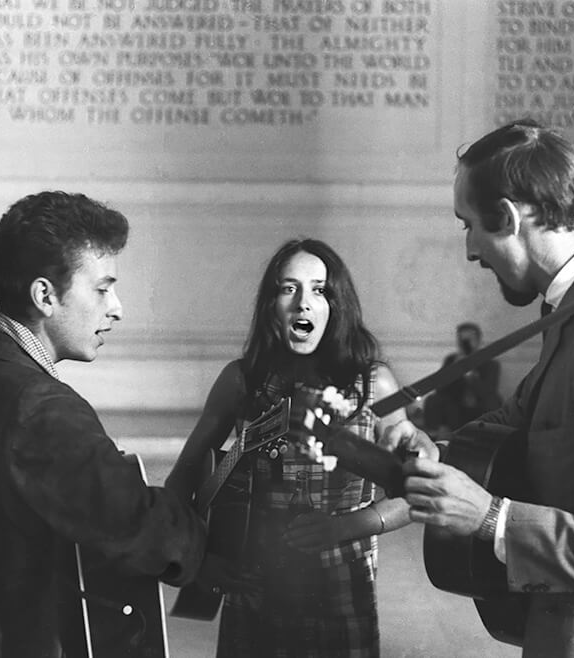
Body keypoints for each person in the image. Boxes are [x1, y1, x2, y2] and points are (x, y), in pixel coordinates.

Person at [382, 120, 574, 656]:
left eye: (468, 226)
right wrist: (435, 451)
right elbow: (523, 419)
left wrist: (489, 517)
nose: (469, 250)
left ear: (506, 217)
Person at [0, 191, 207, 657]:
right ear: (45, 295)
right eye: (102, 289)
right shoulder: (38, 403)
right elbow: (134, 523)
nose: (116, 307)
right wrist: (207, 544)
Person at [166, 238, 411, 657]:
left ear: (337, 305)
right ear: (271, 305)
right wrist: (199, 559)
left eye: (319, 289)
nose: (303, 302)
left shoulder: (375, 384)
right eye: (288, 288)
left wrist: (346, 527)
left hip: (342, 594)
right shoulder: (241, 381)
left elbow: (414, 492)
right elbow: (179, 484)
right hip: (256, 597)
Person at [423, 322, 502, 434]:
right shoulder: (451, 360)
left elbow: (489, 391)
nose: (465, 343)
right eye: (462, 340)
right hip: (456, 406)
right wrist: (454, 369)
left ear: (479, 341)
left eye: (470, 339)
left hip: (479, 405)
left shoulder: (490, 363)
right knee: (433, 400)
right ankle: (435, 436)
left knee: (493, 402)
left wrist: (471, 376)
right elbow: (439, 387)